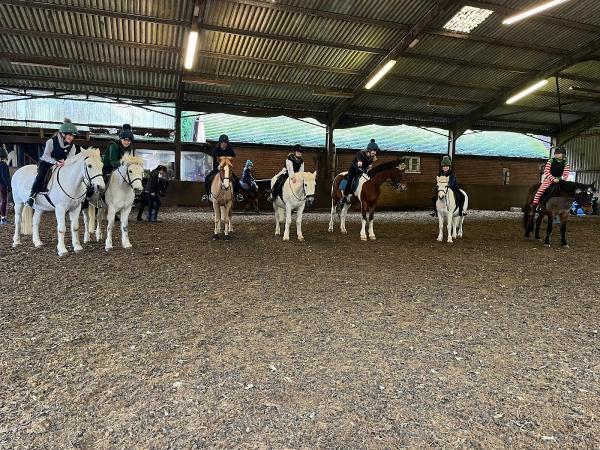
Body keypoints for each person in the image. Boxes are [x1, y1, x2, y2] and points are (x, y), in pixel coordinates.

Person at [27, 118, 79, 207]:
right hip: (47, 162)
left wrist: (65, 161)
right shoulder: (51, 141)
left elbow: (70, 158)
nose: (71, 138)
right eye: (69, 135)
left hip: (62, 164)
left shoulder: (72, 146)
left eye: (73, 136)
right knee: (41, 175)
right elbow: (46, 156)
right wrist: (55, 162)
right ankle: (32, 195)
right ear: (63, 134)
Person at [338, 139, 378, 207]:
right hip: (354, 169)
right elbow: (359, 163)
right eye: (373, 150)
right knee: (350, 180)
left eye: (375, 151)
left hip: (362, 170)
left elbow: (369, 167)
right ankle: (344, 196)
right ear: (369, 150)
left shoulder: (371, 158)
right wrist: (360, 168)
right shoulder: (361, 154)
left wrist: (369, 171)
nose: (375, 152)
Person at [202, 134, 242, 201]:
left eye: (225, 142)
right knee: (207, 178)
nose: (224, 144)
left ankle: (236, 195)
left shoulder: (229, 148)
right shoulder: (217, 148)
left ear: (227, 143)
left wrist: (228, 158)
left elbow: (233, 156)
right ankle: (207, 194)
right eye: (222, 142)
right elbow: (214, 157)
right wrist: (218, 166)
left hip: (226, 169)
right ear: (220, 143)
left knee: (236, 180)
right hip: (217, 168)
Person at [0, 148, 11, 224]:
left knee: (2, 201)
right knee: (4, 201)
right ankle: (3, 218)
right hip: (3, 184)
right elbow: (5, 176)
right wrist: (8, 185)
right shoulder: (3, 164)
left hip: (1, 184)